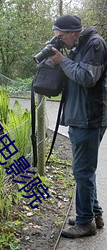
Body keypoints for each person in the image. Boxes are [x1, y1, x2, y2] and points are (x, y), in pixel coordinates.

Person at [49, 15, 107, 238]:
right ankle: (94, 214)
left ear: (73, 32)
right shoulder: (78, 46)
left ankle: (85, 223)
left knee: (82, 171)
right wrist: (59, 59)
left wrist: (62, 61)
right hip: (79, 117)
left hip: (89, 118)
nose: (60, 41)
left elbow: (86, 77)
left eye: (61, 37)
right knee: (84, 171)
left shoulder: (95, 44)